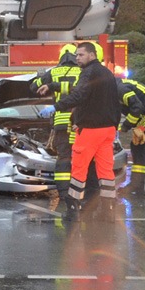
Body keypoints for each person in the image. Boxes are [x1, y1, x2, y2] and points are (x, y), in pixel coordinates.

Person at [52, 41, 121, 221]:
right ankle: (108, 211)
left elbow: (79, 95)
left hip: (90, 130)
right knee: (106, 172)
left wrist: (57, 106)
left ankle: (72, 209)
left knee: (78, 170)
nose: (77, 58)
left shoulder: (88, 72)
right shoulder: (107, 73)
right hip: (108, 130)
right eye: (76, 55)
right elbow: (114, 100)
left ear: (92, 55)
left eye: (81, 55)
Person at [31, 44, 81, 202]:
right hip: (80, 122)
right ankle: (80, 191)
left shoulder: (53, 72)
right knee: (81, 157)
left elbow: (34, 87)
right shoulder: (83, 72)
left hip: (61, 123)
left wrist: (40, 78)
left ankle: (64, 193)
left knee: (63, 158)